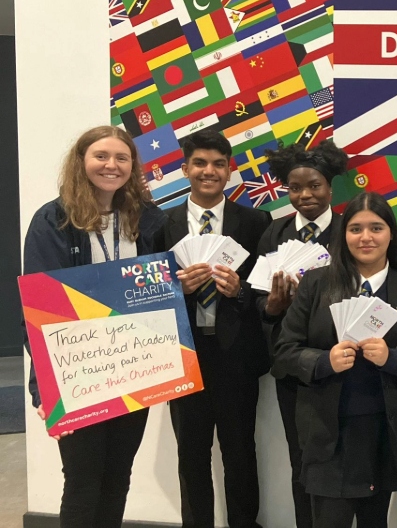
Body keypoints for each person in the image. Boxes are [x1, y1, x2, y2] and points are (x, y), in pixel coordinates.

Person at [22, 125, 167, 527]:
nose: (112, 165)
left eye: (122, 158)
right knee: (84, 481)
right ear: (81, 161)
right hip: (77, 372)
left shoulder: (148, 218)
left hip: (134, 367)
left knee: (118, 477)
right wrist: (45, 389)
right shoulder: (53, 219)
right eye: (101, 156)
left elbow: (159, 292)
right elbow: (38, 309)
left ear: (132, 166)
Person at [273, 192, 397, 528]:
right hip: (327, 431)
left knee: (374, 520)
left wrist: (393, 359)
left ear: (391, 234)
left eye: (376, 228)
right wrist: (324, 361)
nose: (366, 237)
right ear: (343, 234)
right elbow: (285, 352)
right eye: (355, 229)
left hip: (384, 432)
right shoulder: (316, 283)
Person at [154, 130, 272, 528]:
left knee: (240, 452)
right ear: (185, 168)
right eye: (200, 163)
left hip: (236, 356)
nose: (209, 171)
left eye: (219, 163)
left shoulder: (256, 221)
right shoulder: (160, 224)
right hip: (185, 356)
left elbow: (266, 292)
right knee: (191, 454)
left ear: (230, 169)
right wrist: (176, 288)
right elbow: (147, 293)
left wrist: (239, 291)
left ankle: (244, 523)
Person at [255, 140, 347, 528]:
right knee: (301, 455)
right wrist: (272, 307)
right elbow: (255, 300)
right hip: (293, 364)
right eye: (295, 188)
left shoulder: (350, 229)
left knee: (345, 452)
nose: (305, 195)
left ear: (330, 188)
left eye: (314, 186)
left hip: (344, 361)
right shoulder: (274, 232)